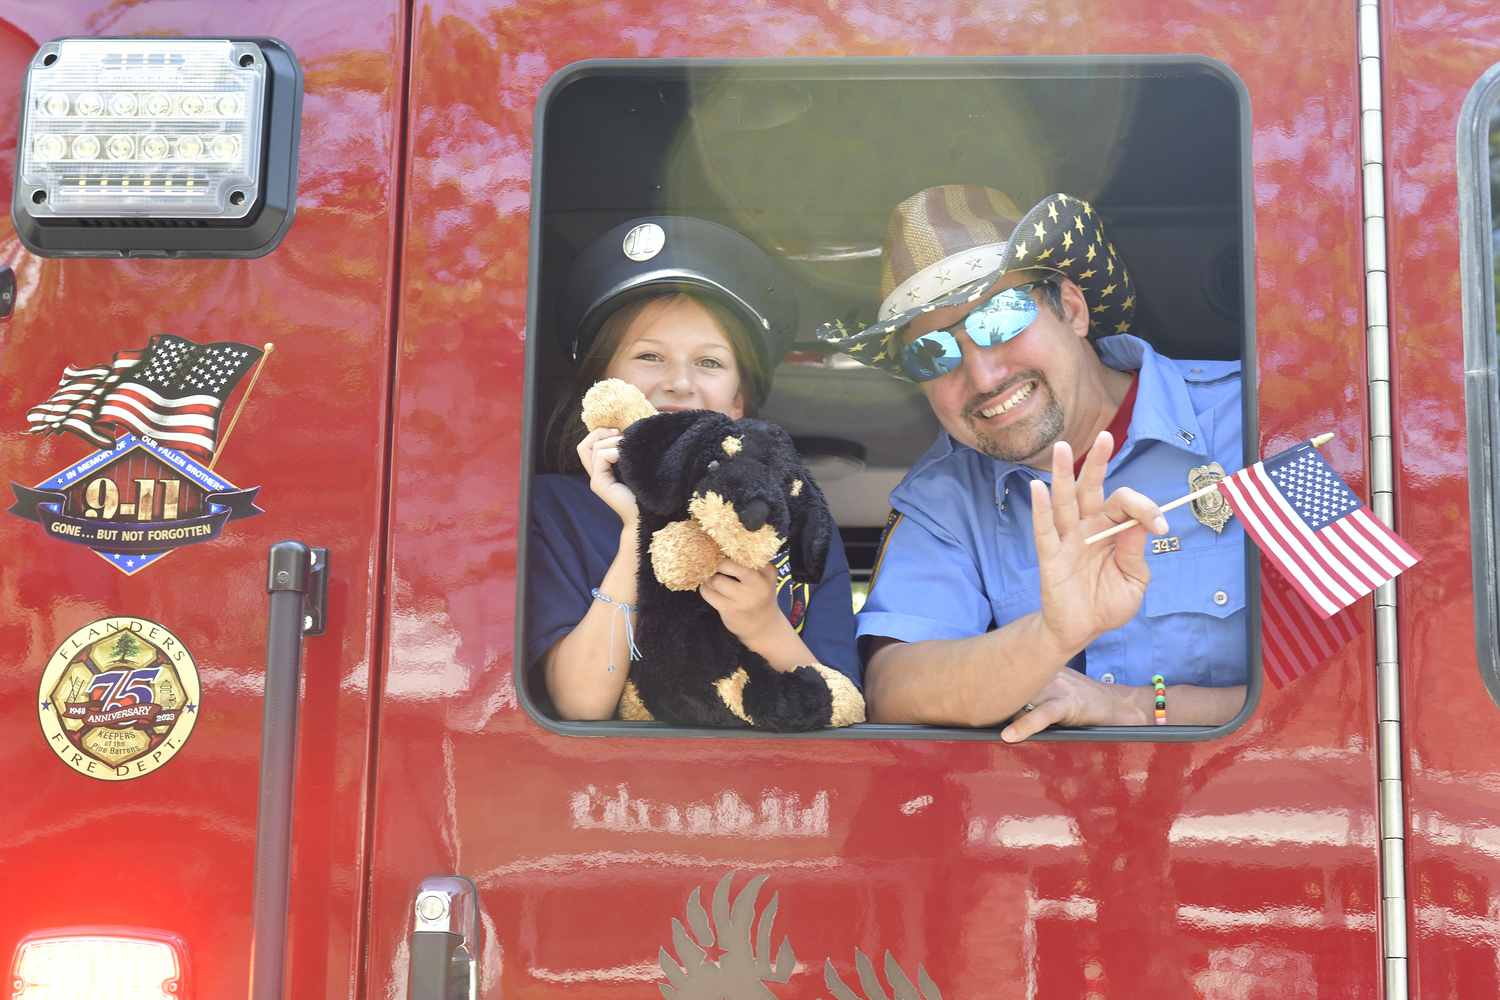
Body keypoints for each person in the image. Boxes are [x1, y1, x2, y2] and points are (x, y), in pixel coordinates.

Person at [816, 186, 1246, 740]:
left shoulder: (1260, 420)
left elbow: (1354, 672)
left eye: (1000, 318)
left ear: (1070, 308)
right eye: (932, 353)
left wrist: (1139, 708)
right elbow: (892, 687)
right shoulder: (944, 495)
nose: (983, 377)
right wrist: (1051, 637)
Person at [527, 216, 860, 721]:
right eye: (649, 356)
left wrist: (763, 624)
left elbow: (845, 710)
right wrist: (638, 532)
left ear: (739, 402)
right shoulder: (547, 509)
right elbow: (580, 702)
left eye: (709, 363)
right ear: (602, 386)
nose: (680, 383)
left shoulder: (791, 517)